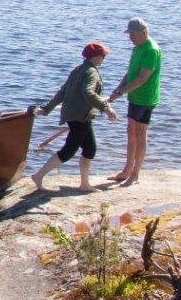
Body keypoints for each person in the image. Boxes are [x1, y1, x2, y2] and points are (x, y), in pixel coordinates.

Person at [30, 41, 118, 192]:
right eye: (103, 55)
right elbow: (88, 92)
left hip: (74, 115)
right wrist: (106, 108)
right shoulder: (91, 72)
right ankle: (38, 176)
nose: (104, 58)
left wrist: (47, 109)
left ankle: (84, 184)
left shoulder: (78, 69)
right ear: (95, 56)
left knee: (90, 149)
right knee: (69, 150)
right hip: (79, 116)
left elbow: (62, 92)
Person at [107, 18, 162, 186]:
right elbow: (130, 73)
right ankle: (126, 170)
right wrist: (117, 90)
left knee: (140, 133)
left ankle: (135, 174)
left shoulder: (151, 50)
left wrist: (122, 92)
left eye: (133, 34)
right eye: (129, 34)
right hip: (133, 96)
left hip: (146, 98)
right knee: (130, 132)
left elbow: (143, 77)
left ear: (143, 32)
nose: (130, 37)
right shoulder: (137, 48)